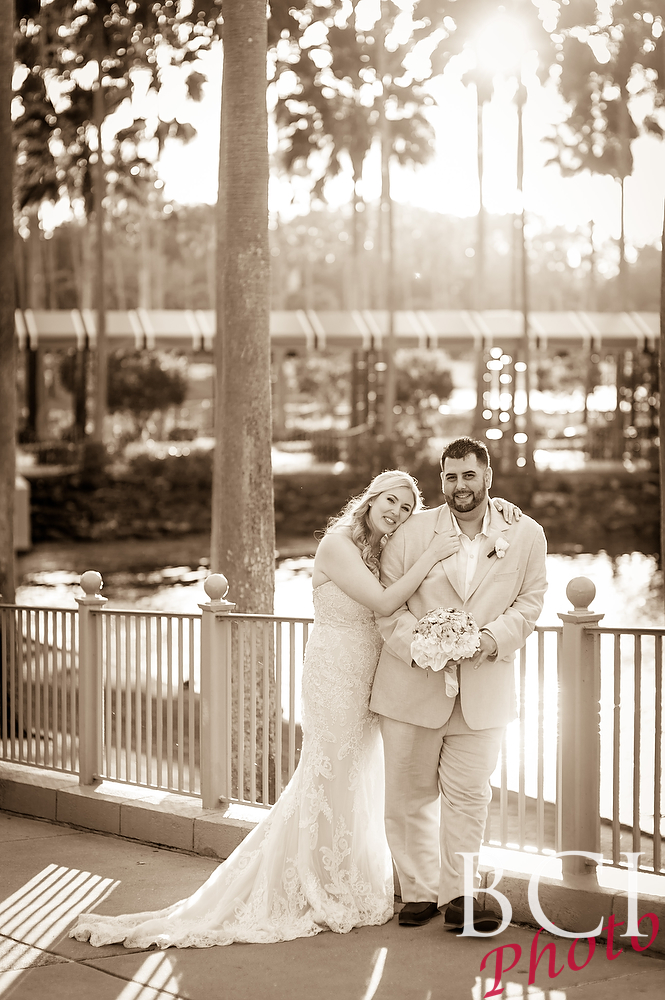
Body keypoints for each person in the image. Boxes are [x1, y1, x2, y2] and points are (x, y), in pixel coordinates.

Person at [70, 468, 521, 950]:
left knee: (358, 778)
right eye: (390, 501)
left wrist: (500, 511)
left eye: (406, 508)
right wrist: (433, 552)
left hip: (371, 676)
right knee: (326, 775)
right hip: (334, 674)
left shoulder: (384, 548)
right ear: (369, 500)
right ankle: (314, 881)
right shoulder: (337, 545)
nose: (397, 512)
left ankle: (345, 878)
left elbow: (441, 530)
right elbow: (388, 599)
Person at [370, 438, 547, 933]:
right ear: (441, 479)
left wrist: (491, 639)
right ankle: (419, 891)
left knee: (470, 795)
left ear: (487, 477)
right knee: (408, 795)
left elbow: (531, 601)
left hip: (484, 688)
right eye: (450, 476)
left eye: (469, 475)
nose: (460, 486)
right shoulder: (411, 531)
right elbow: (389, 604)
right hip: (411, 685)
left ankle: (461, 895)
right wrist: (424, 645)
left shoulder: (526, 532)